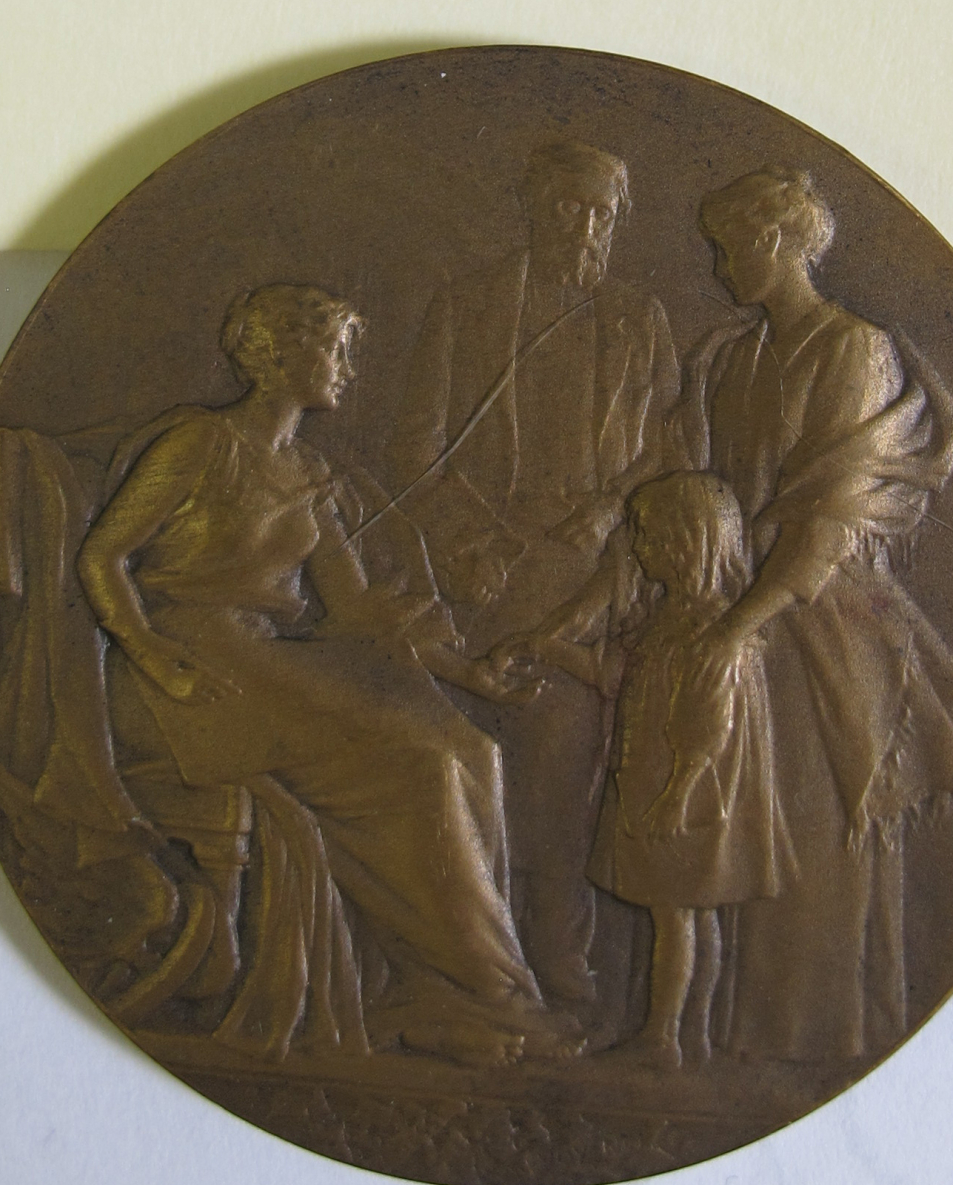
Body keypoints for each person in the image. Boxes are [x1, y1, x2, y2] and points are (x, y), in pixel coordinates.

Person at [77, 283, 558, 1066]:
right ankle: (487, 992)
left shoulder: (309, 470)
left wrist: (475, 676)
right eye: (334, 349)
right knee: (419, 765)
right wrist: (148, 649)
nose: (347, 367)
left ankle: (445, 989)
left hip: (264, 659)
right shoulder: (200, 443)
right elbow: (103, 555)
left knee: (473, 749)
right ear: (278, 356)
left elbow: (358, 610)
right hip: (191, 668)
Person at [677, 168, 953, 1062]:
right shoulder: (733, 359)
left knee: (820, 834)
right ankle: (747, 1043)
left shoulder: (855, 350)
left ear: (779, 242)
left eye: (731, 248)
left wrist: (741, 623)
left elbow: (833, 514)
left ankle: (813, 1039)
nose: (719, 267)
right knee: (753, 834)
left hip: (829, 627)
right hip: (746, 612)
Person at [389, 138, 680, 1005]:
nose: (582, 226)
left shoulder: (638, 318)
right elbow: (416, 450)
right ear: (531, 207)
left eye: (600, 211)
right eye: (565, 206)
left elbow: (671, 447)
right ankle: (468, 956)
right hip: (485, 571)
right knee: (475, 765)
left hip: (589, 574)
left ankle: (558, 956)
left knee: (567, 773)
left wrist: (610, 508)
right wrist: (467, 542)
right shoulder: (468, 306)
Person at [580, 471, 787, 1067]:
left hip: (680, 797)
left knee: (676, 919)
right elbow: (615, 680)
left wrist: (677, 794)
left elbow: (705, 725)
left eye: (648, 536)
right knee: (694, 917)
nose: (639, 549)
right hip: (661, 787)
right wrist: (547, 651)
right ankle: (694, 1037)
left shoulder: (712, 636)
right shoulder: (671, 623)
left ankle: (663, 1037)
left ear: (688, 542)